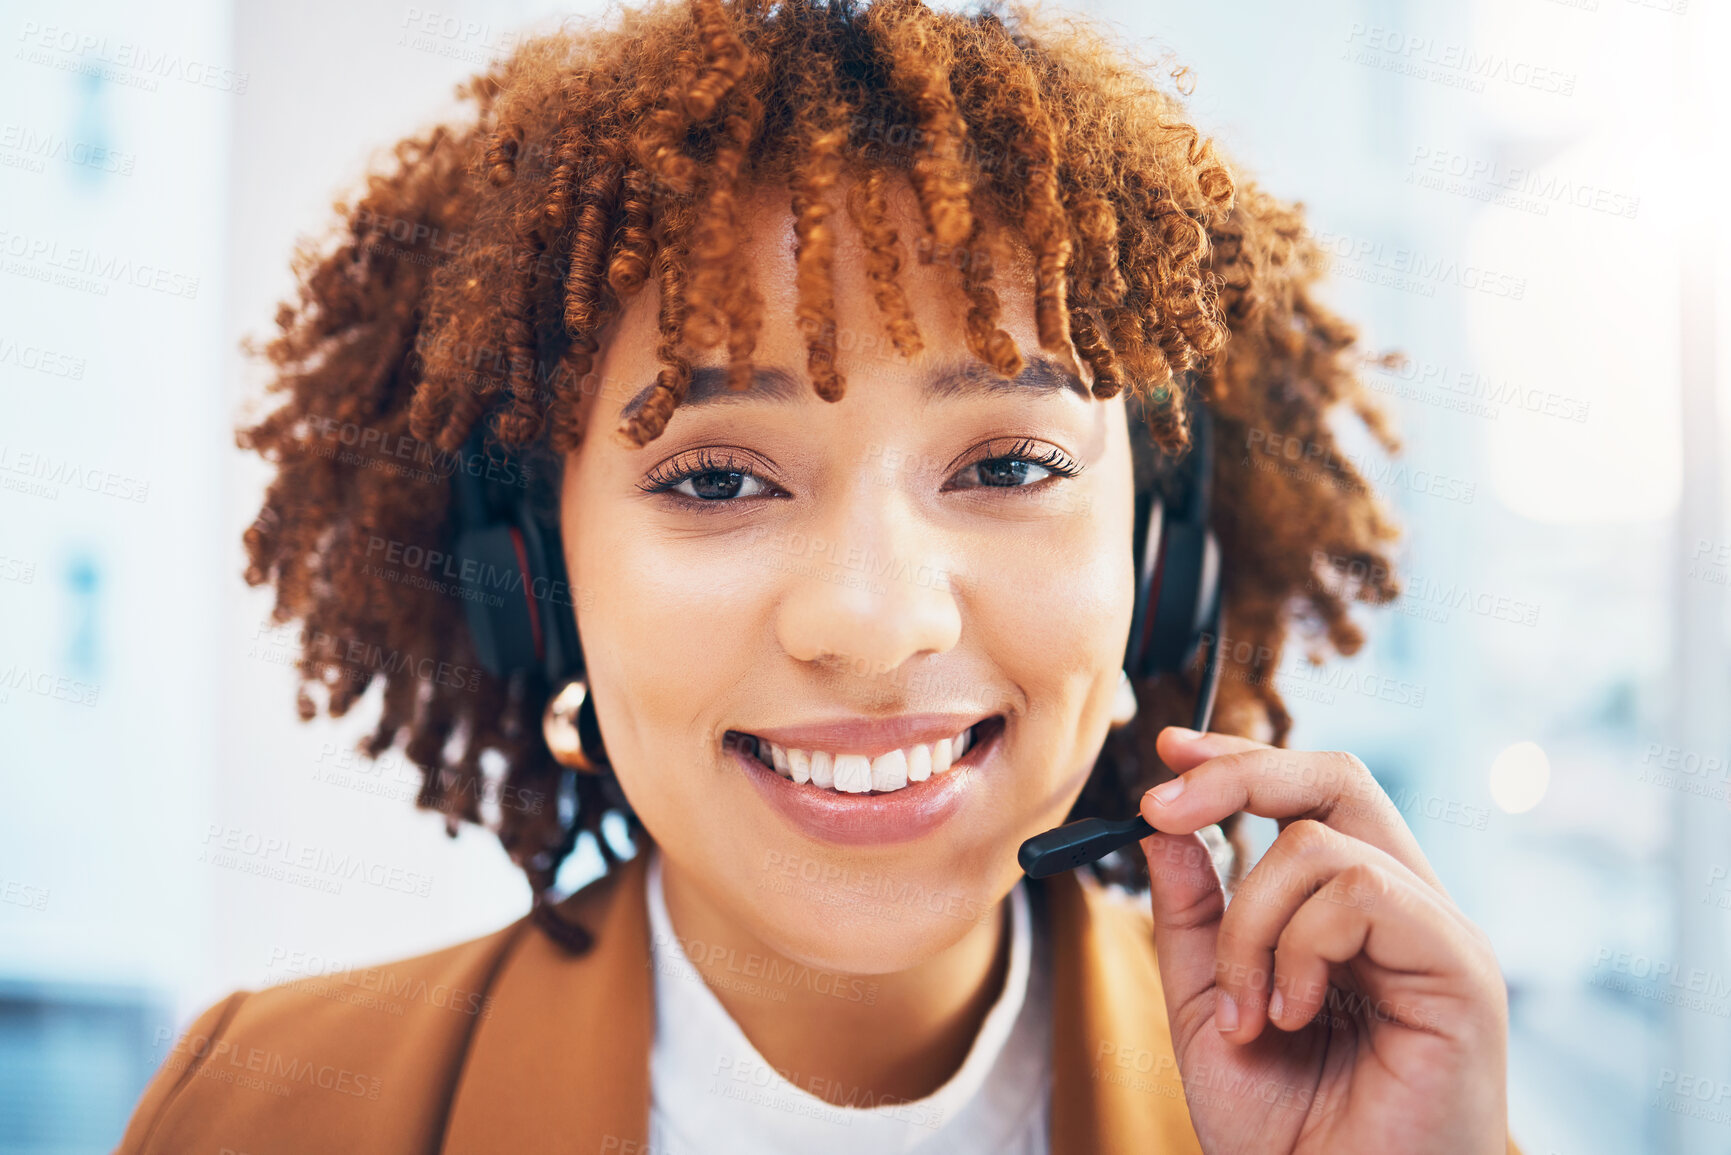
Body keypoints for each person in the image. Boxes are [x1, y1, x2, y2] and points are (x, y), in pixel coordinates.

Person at [117, 0, 1523, 1151]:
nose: (874, 621)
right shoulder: (252, 1112)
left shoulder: (1370, 1121)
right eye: (718, 479)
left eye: (1012, 466)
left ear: (1165, 571)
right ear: (528, 583)